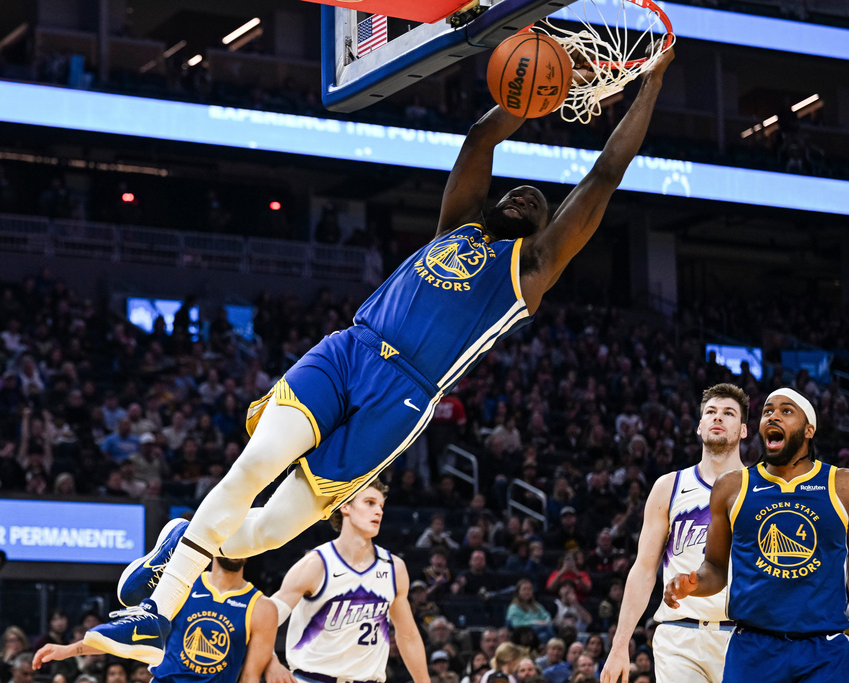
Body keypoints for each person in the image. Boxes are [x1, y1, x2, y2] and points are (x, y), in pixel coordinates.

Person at [89, 44, 675, 659]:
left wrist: (649, 85)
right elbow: (481, 137)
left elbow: (605, 174)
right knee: (252, 467)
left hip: (402, 399)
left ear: (544, 231)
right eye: (517, 192)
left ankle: (183, 540)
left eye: (537, 203)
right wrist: (538, 94)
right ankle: (160, 610)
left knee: (267, 532)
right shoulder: (458, 225)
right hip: (350, 350)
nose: (524, 196)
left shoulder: (530, 271)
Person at [664, 388, 849, 682]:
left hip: (824, 650)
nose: (773, 416)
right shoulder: (732, 487)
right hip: (753, 647)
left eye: (786, 411)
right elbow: (714, 568)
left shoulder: (845, 486)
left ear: (809, 430)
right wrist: (692, 584)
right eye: (767, 411)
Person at [601, 384, 749, 683]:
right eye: (711, 412)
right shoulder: (669, 486)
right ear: (699, 426)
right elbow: (644, 569)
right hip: (680, 636)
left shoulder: (762, 490)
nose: (718, 417)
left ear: (743, 430)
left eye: (728, 413)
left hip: (744, 636)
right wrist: (620, 644)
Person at [259, 482, 431, 683]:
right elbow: (263, 619)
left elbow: (408, 636)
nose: (378, 511)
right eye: (370, 503)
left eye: (381, 506)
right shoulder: (316, 564)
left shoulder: (394, 568)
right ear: (345, 506)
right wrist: (270, 662)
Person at [35, 554, 276, 682]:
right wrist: (70, 650)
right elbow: (130, 635)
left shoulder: (262, 607)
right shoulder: (184, 585)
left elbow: (250, 677)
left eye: (244, 538)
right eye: (233, 535)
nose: (237, 544)